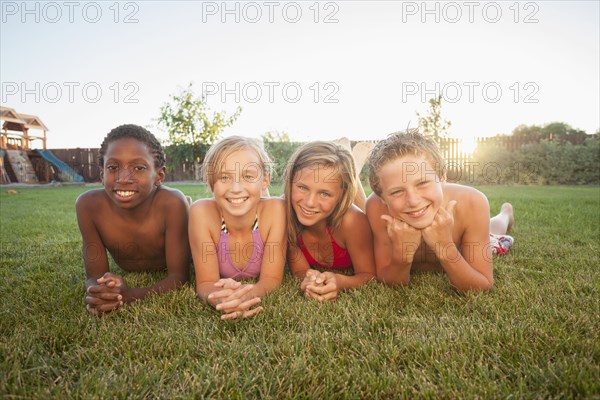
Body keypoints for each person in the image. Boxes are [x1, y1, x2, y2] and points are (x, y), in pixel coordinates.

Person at [366, 130, 514, 293]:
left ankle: (506, 213)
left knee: (493, 233)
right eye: (396, 192)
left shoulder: (472, 202)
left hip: (463, 249)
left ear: (442, 177)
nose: (413, 201)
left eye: (422, 183)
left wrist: (445, 247)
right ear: (382, 198)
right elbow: (390, 282)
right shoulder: (376, 208)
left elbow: (482, 286)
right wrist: (402, 255)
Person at [76, 124, 191, 316]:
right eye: (113, 167)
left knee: (187, 209)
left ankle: (190, 207)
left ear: (159, 175)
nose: (124, 178)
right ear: (103, 174)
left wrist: (130, 295)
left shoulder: (171, 204)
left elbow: (178, 277)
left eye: (138, 167)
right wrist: (100, 292)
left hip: (178, 218)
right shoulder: (88, 206)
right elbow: (95, 276)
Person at [189, 136, 286, 320]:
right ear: (211, 183)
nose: (235, 188)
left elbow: (271, 280)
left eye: (248, 176)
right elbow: (206, 283)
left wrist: (244, 297)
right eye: (224, 177)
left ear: (265, 180)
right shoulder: (201, 212)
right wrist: (223, 301)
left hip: (263, 207)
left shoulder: (277, 210)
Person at [284, 141, 376, 302]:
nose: (310, 202)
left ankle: (356, 162)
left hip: (349, 213)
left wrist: (341, 281)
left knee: (367, 213)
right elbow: (300, 271)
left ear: (341, 196)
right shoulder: (286, 217)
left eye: (324, 193)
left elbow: (368, 275)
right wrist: (311, 279)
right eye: (302, 187)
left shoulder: (353, 222)